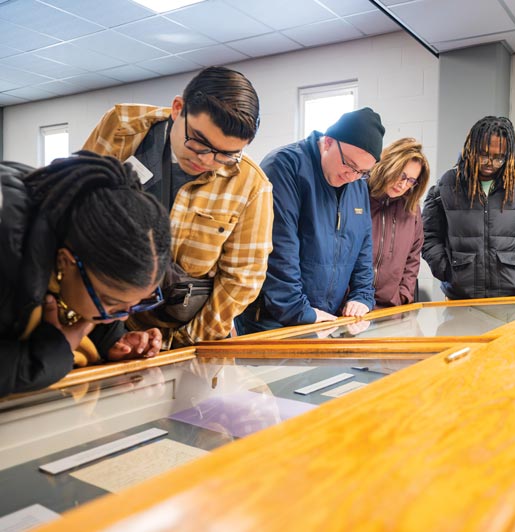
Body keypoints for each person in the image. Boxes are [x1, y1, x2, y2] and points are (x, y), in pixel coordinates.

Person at [83, 66, 273, 348]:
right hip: (95, 316)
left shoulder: (252, 185)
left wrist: (180, 345)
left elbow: (241, 281)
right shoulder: (121, 127)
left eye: (226, 154)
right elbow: (79, 205)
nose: (207, 161)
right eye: (199, 143)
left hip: (174, 334)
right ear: (177, 108)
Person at [0, 152, 172, 397]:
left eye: (132, 305)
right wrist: (51, 355)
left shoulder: (64, 217)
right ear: (64, 262)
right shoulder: (6, 242)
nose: (123, 319)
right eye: (112, 304)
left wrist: (111, 340)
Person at [236, 108, 385, 332]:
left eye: (362, 172)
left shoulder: (357, 184)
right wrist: (300, 311)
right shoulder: (284, 167)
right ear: (328, 142)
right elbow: (278, 248)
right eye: (349, 165)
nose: (352, 176)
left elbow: (363, 244)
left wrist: (362, 296)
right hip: (273, 318)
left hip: (323, 318)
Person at [422, 116, 515, 300]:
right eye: (483, 155)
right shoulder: (445, 187)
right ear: (471, 149)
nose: (490, 163)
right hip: (460, 299)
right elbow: (428, 236)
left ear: (509, 156)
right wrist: (445, 271)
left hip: (513, 298)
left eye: (499, 158)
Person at [368, 138, 430, 308]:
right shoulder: (358, 195)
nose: (403, 185)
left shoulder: (412, 209)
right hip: (352, 308)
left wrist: (403, 295)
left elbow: (413, 257)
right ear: (388, 166)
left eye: (411, 180)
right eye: (401, 175)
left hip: (391, 308)